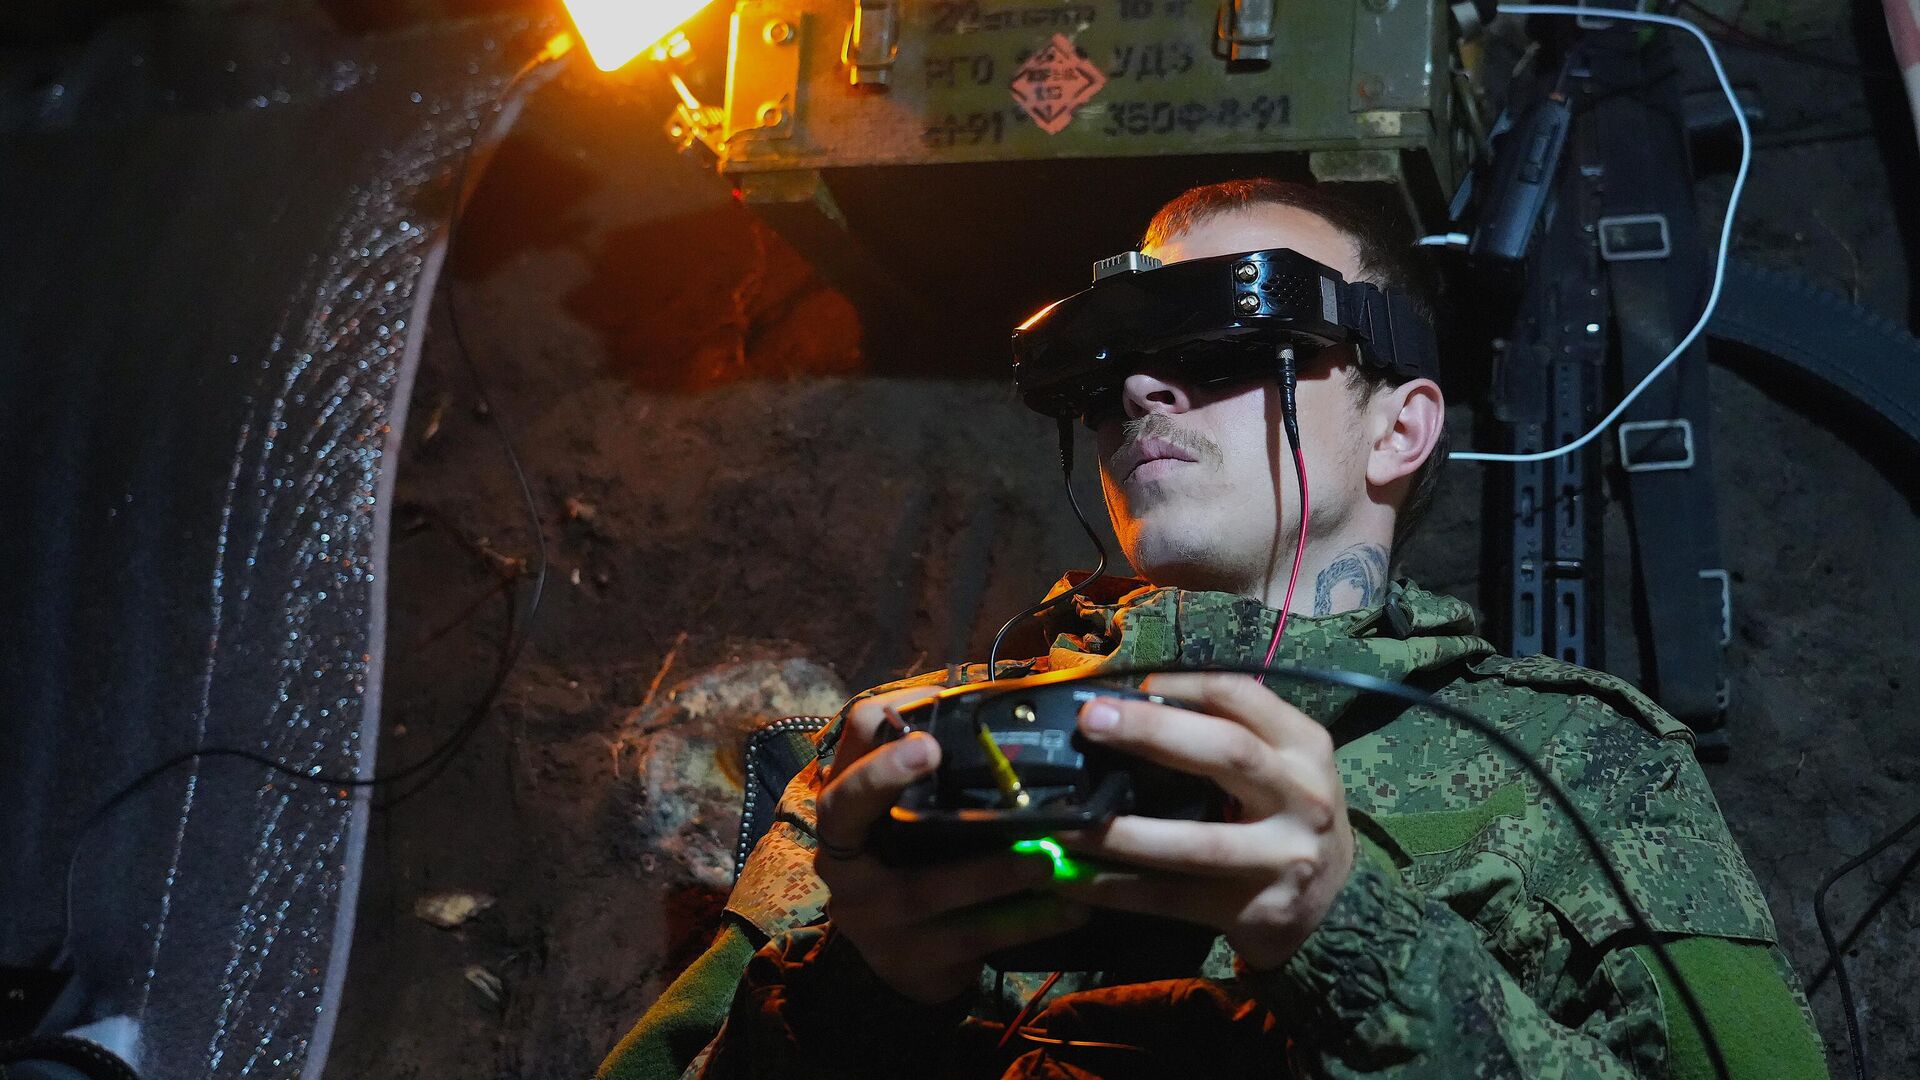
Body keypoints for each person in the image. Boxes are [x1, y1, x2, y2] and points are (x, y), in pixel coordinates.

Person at [598, 179, 1829, 1079]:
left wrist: (1351, 936)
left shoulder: (1578, 757)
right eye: (1118, 361)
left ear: (1400, 427)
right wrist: (860, 997)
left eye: (1231, 340)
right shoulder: (911, 748)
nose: (1141, 390)